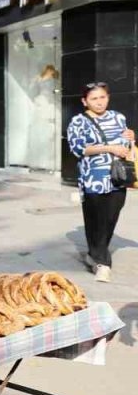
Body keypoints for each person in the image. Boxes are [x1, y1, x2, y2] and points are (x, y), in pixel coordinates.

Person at [67, 81, 133, 283]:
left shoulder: (118, 117)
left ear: (108, 97)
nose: (99, 102)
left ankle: (93, 255)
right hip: (93, 178)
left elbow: (126, 144)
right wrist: (109, 148)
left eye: (102, 97)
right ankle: (103, 264)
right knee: (95, 220)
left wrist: (131, 137)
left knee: (110, 218)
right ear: (85, 101)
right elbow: (78, 149)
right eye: (94, 98)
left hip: (118, 177)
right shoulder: (78, 121)